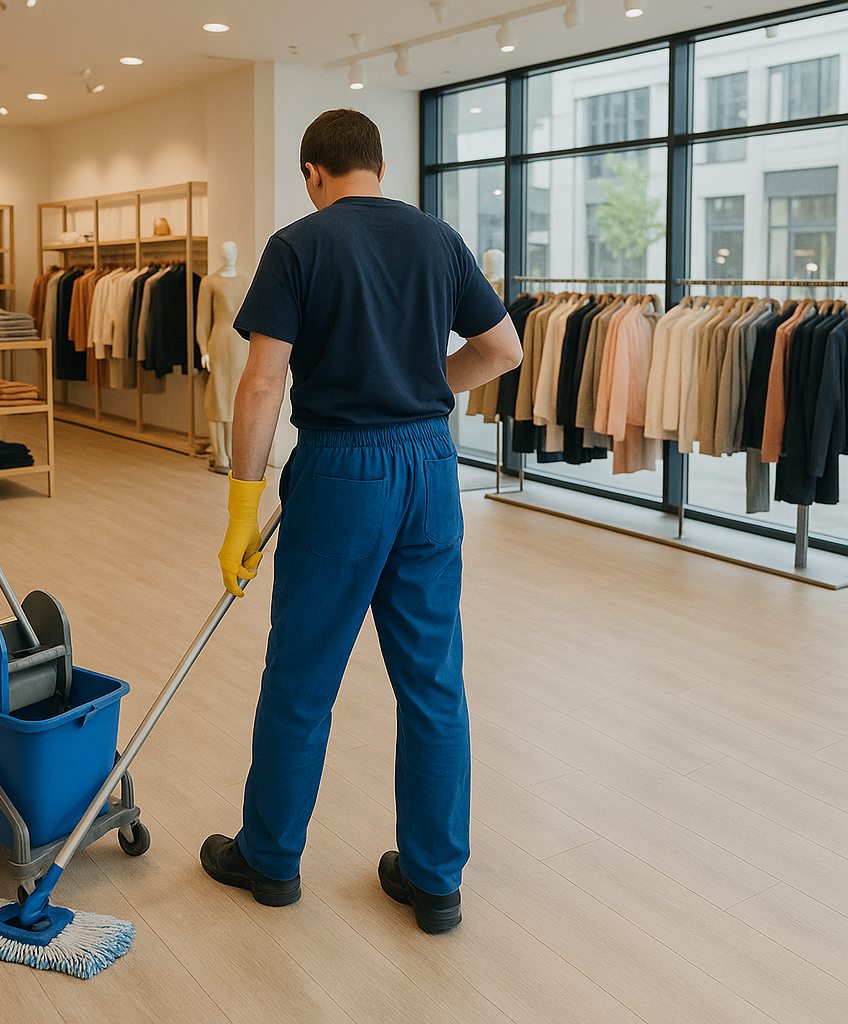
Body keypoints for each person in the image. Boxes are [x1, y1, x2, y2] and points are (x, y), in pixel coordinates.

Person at [200, 108, 522, 934]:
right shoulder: (439, 240)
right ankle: (434, 881)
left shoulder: (299, 245)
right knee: (433, 680)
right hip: (429, 467)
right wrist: (425, 388)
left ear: (313, 174)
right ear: (378, 166)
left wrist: (242, 506)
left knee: (302, 676)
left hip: (342, 469)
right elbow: (502, 351)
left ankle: (270, 860)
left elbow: (262, 384)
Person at [196, 240, 251, 474]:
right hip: (218, 342)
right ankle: (220, 456)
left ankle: (232, 455)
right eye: (226, 252)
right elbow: (202, 320)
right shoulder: (209, 281)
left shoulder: (246, 279)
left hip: (240, 344)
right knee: (217, 395)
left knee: (235, 398)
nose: (229, 255)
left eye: (233, 251)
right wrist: (204, 350)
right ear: (221, 254)